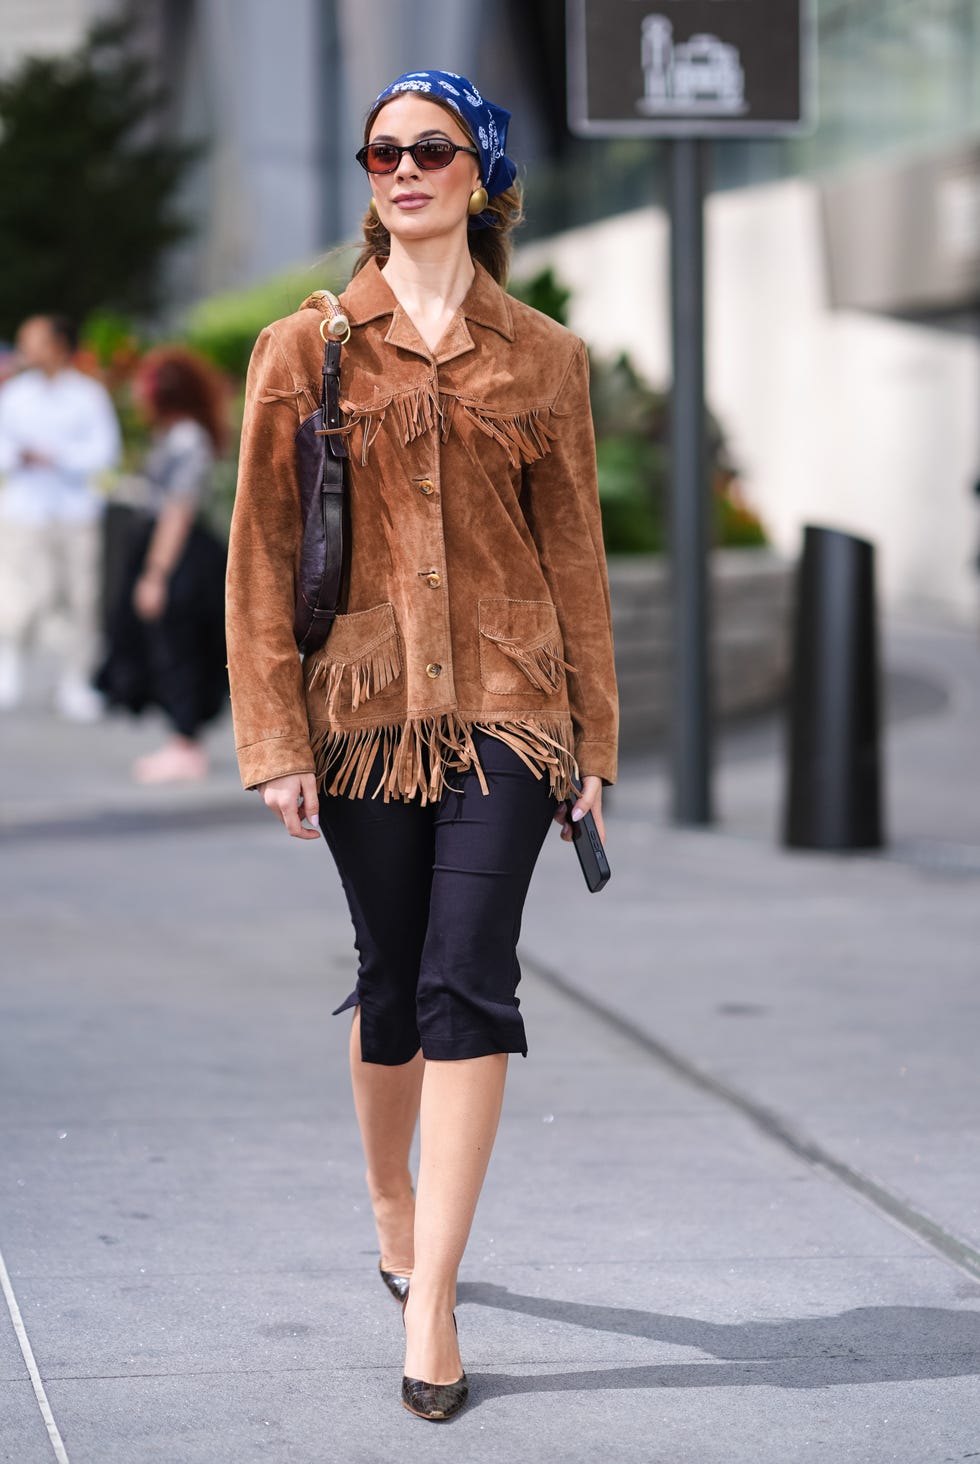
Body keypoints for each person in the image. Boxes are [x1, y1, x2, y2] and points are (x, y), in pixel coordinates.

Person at [226, 69, 618, 1422]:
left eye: (430, 149)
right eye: (381, 150)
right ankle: (389, 1196)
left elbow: (578, 566)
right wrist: (274, 737)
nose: (401, 168)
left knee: (469, 979)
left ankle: (436, 1295)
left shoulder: (545, 358)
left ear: (481, 176)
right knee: (392, 982)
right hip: (363, 718)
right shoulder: (309, 346)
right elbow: (262, 558)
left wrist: (594, 748)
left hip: (512, 706)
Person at [97, 347, 229, 782]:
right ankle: (182, 739)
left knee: (179, 647)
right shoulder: (177, 434)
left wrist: (156, 574)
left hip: (181, 556)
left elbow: (178, 508)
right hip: (175, 551)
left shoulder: (186, 437)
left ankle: (185, 744)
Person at [0, 315, 121, 718]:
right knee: (19, 595)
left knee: (82, 597)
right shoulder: (15, 394)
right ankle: (10, 665)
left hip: (75, 511)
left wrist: (57, 458)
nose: (25, 350)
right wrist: (21, 456)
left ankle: (76, 680)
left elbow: (105, 452)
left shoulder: (88, 395)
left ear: (57, 345)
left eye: (32, 341)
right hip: (26, 510)